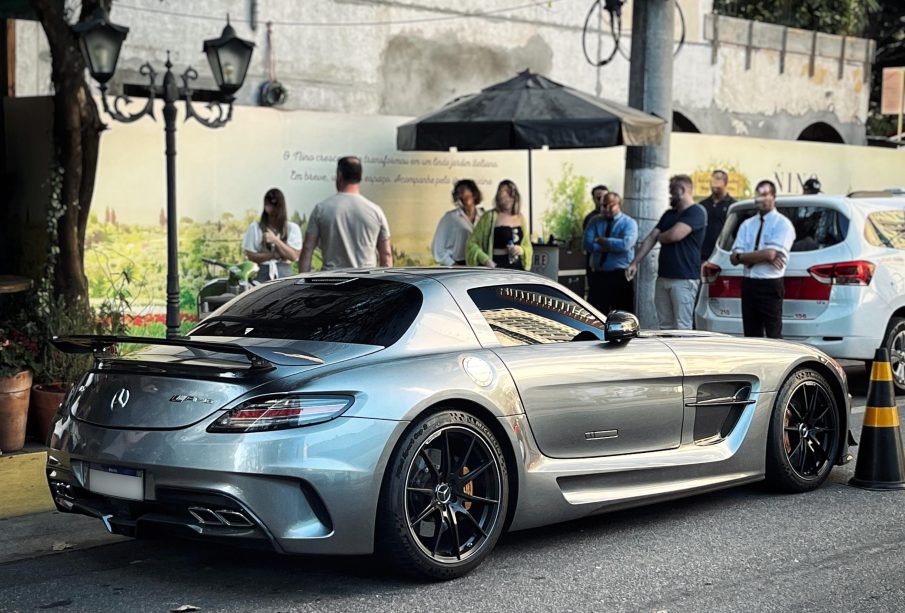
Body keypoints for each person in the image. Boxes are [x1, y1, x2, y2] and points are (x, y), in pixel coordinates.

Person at [626, 174, 707, 330]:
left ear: (682, 190)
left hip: (684, 278)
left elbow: (674, 235)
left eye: (672, 191)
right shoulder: (669, 214)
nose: (670, 195)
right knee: (664, 325)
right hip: (663, 276)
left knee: (682, 325)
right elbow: (651, 238)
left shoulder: (696, 212)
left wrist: (660, 236)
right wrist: (634, 263)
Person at [299, 156, 393, 271]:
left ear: (339, 175)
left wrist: (303, 279)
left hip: (330, 279)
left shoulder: (321, 209)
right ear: (360, 176)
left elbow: (307, 249)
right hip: (366, 279)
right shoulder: (376, 211)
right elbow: (386, 255)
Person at [730, 179, 795, 338]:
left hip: (769, 284)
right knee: (751, 335)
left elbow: (770, 254)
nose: (760, 199)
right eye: (758, 195)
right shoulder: (747, 225)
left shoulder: (782, 224)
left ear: (773, 197)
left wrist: (744, 257)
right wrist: (759, 256)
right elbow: (733, 258)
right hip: (749, 283)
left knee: (773, 334)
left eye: (765, 194)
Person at [584, 191, 638, 314]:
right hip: (598, 275)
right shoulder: (595, 221)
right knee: (594, 315)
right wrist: (612, 246)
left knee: (622, 316)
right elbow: (587, 244)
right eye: (604, 205)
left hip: (619, 276)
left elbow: (625, 245)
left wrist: (601, 240)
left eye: (611, 205)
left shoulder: (629, 223)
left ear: (619, 205)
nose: (607, 208)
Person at [466, 179, 533, 270]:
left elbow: (527, 246)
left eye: (508, 195)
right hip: (497, 267)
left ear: (515, 198)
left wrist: (521, 250)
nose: (505, 199)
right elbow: (471, 244)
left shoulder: (521, 217)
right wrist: (486, 260)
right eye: (502, 195)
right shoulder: (489, 217)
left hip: (517, 268)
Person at [242, 187, 302, 282]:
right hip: (260, 273)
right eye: (268, 203)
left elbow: (293, 256)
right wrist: (275, 255)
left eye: (274, 203)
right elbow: (250, 255)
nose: (270, 207)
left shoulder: (292, 228)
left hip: (285, 275)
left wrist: (275, 240)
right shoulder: (254, 227)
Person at [431, 179, 485, 266]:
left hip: (479, 266)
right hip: (457, 265)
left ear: (474, 194)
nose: (460, 196)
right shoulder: (450, 217)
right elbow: (437, 248)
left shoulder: (484, 216)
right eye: (457, 194)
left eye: (463, 192)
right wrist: (453, 264)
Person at [698, 170, 736, 262]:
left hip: (723, 255)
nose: (714, 182)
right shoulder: (702, 205)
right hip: (702, 256)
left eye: (718, 179)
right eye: (712, 179)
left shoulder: (733, 205)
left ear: (725, 182)